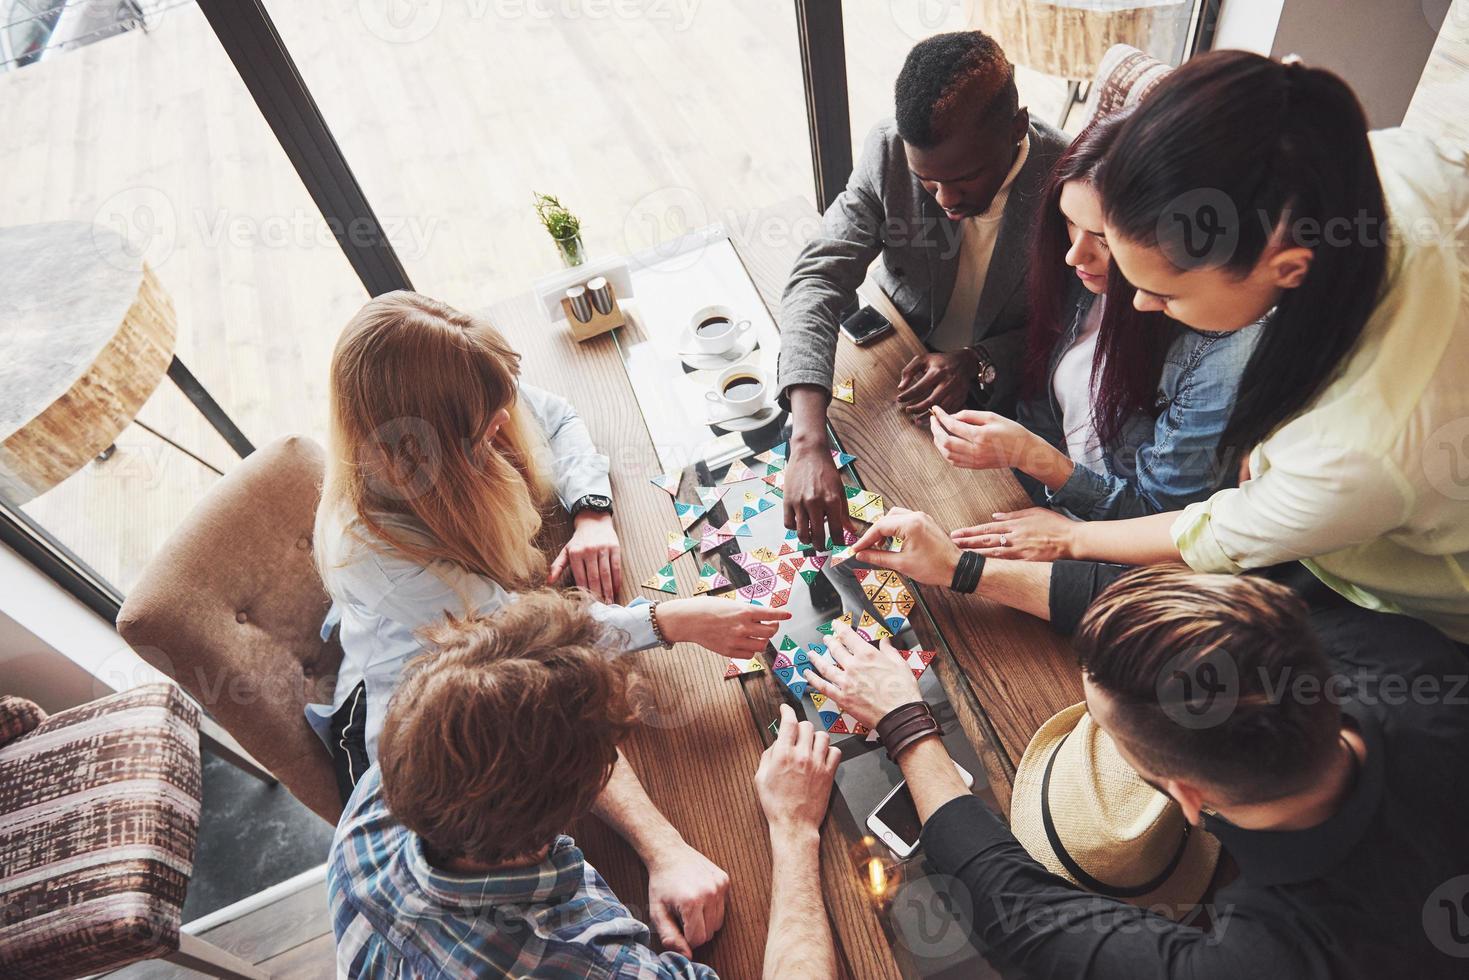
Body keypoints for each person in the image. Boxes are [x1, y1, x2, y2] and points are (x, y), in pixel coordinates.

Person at [310, 291, 793, 954]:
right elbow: (529, 659)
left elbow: (557, 417)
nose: (504, 426)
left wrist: (591, 509)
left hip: (510, 694)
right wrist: (668, 618)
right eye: (483, 430)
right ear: (428, 447)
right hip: (456, 747)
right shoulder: (381, 558)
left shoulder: (444, 409)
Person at [946, 52, 1469, 644]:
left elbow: (1213, 536)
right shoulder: (1373, 168)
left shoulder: (1354, 450)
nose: (1140, 306)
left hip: (1416, 608)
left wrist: (1070, 537)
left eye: (1165, 295)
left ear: (1288, 267)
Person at [803, 559, 1469, 979]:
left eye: (1107, 729)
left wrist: (905, 721)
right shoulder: (1407, 657)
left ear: (1186, 796)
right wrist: (964, 568)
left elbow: (1018, 918)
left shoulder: (1275, 958)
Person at [328, 592, 842, 978]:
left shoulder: (387, 786)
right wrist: (795, 828)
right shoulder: (582, 960)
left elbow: (526, 729)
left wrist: (664, 847)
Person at [777, 30, 1070, 547]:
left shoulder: (1068, 181)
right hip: (895, 355)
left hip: (999, 401)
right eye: (928, 181)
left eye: (965, 179)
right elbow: (817, 277)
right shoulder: (889, 150)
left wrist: (978, 360)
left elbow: (1073, 328)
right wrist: (806, 439)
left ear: (1017, 127)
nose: (945, 199)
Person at [929, 107, 1262, 538]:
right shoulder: (1087, 277)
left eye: (1103, 239)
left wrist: (1033, 458)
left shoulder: (1220, 352)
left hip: (1113, 539)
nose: (1074, 257)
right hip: (1048, 495)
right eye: (1069, 222)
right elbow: (1045, 404)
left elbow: (1159, 522)